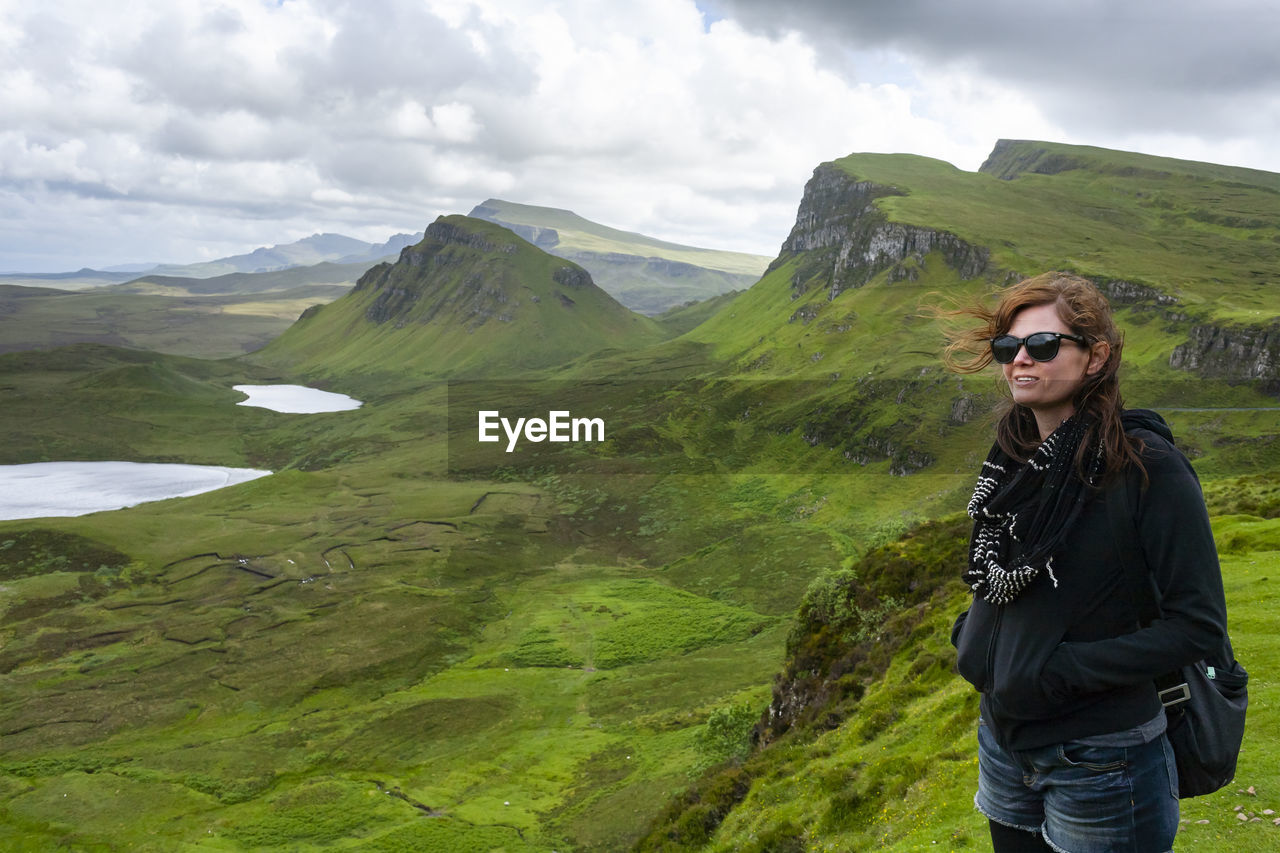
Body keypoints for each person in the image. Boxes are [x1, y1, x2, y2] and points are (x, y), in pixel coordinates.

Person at [943, 272, 1228, 852]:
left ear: (1096, 357)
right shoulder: (1013, 463)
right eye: (1008, 347)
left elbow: (1197, 626)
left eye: (1043, 345)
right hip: (1004, 742)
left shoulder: (1148, 468)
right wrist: (975, 639)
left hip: (1103, 757)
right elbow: (999, 581)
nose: (1021, 359)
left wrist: (1057, 673)